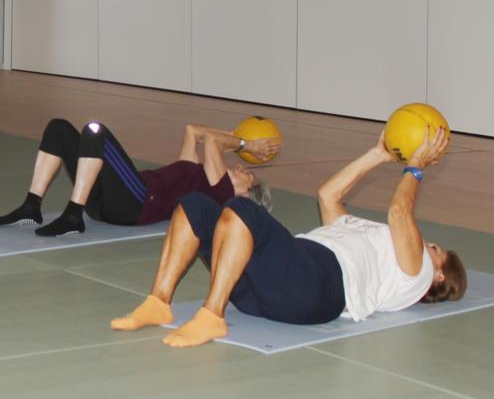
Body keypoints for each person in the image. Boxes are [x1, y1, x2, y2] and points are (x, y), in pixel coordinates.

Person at [110, 127, 467, 348]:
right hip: (272, 285)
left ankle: (212, 315)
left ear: (440, 273)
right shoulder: (366, 233)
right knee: (195, 205)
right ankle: (158, 302)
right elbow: (328, 195)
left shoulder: (417, 273)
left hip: (318, 285)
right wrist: (378, 154)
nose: (427, 244)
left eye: (436, 250)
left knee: (244, 210)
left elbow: (400, 212)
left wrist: (415, 167)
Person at [0, 121, 277, 237]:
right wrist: (240, 143)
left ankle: (73, 214)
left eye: (246, 173)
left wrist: (246, 145)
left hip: (137, 201)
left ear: (245, 192)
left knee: (95, 131)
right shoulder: (196, 173)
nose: (240, 169)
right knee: (59, 128)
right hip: (110, 202)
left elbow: (213, 140)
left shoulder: (221, 192)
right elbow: (193, 131)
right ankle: (32, 205)